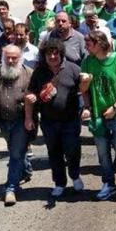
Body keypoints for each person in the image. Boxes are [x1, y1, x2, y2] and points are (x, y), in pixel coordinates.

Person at [26, 38, 84, 199]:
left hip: (70, 120)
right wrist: (29, 113)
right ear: (44, 56)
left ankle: (75, 176)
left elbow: (84, 90)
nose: (52, 57)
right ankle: (59, 183)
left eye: (55, 53)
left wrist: (86, 109)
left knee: (72, 151)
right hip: (49, 122)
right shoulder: (39, 72)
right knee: (54, 153)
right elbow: (31, 92)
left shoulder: (73, 69)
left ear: (61, 54)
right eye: (48, 54)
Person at [80, 31, 116, 201]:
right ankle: (108, 183)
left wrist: (115, 107)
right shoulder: (87, 62)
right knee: (103, 153)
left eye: (89, 43)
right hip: (98, 115)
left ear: (100, 44)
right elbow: (83, 91)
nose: (86, 47)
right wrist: (87, 105)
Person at [0, 45, 34, 206]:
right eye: (7, 57)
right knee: (15, 149)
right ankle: (26, 169)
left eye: (14, 58)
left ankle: (11, 188)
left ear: (20, 57)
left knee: (15, 154)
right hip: (2, 120)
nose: (10, 60)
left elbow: (34, 95)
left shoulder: (28, 73)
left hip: (21, 121)